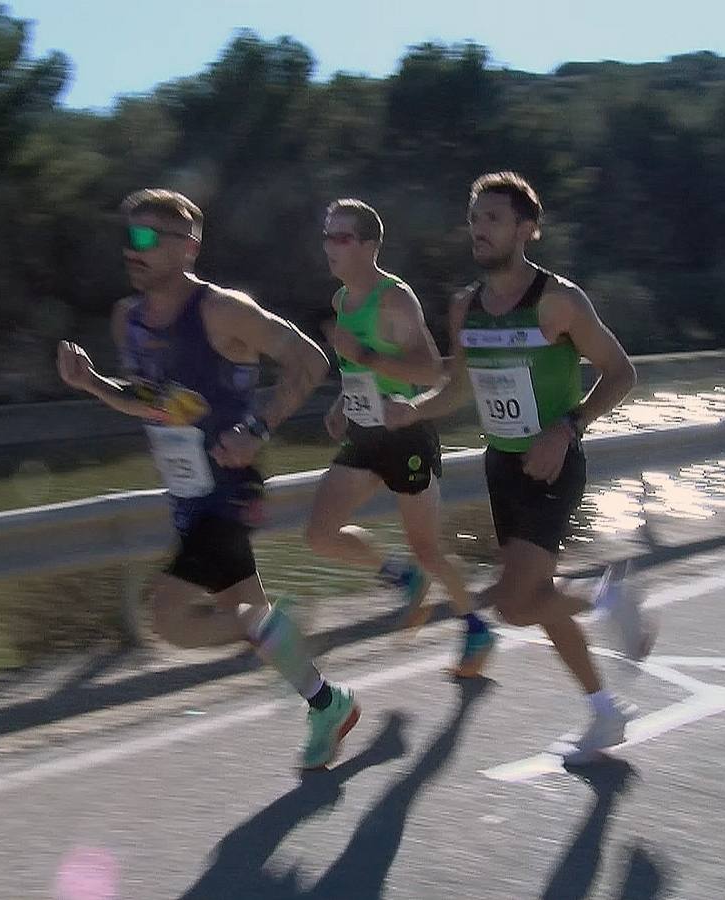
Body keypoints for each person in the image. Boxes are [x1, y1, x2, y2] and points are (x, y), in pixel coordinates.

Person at [56, 188, 359, 769]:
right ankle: (328, 703)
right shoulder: (130, 320)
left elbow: (311, 363)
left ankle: (280, 629)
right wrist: (93, 384)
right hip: (187, 492)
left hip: (229, 487)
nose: (133, 249)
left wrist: (258, 428)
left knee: (167, 618)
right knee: (247, 610)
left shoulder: (224, 311)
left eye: (148, 238)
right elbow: (148, 401)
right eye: (129, 237)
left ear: (187, 248)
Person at [384, 172, 656, 762]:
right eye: (474, 218)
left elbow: (622, 373)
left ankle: (609, 603)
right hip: (501, 465)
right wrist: (414, 412)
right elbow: (458, 388)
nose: (479, 230)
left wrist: (566, 428)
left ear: (527, 229)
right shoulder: (465, 306)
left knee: (511, 604)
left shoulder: (557, 301)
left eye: (494, 219)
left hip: (553, 463)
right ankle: (605, 710)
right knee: (534, 599)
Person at [304, 198, 494, 678]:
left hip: (407, 435)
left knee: (427, 547)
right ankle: (403, 578)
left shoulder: (394, 299)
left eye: (341, 237)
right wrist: (341, 403)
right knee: (320, 534)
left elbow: (431, 370)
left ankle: (474, 624)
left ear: (370, 246)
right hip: (367, 435)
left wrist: (365, 355)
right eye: (327, 236)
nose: (330, 246)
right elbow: (357, 369)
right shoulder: (342, 300)